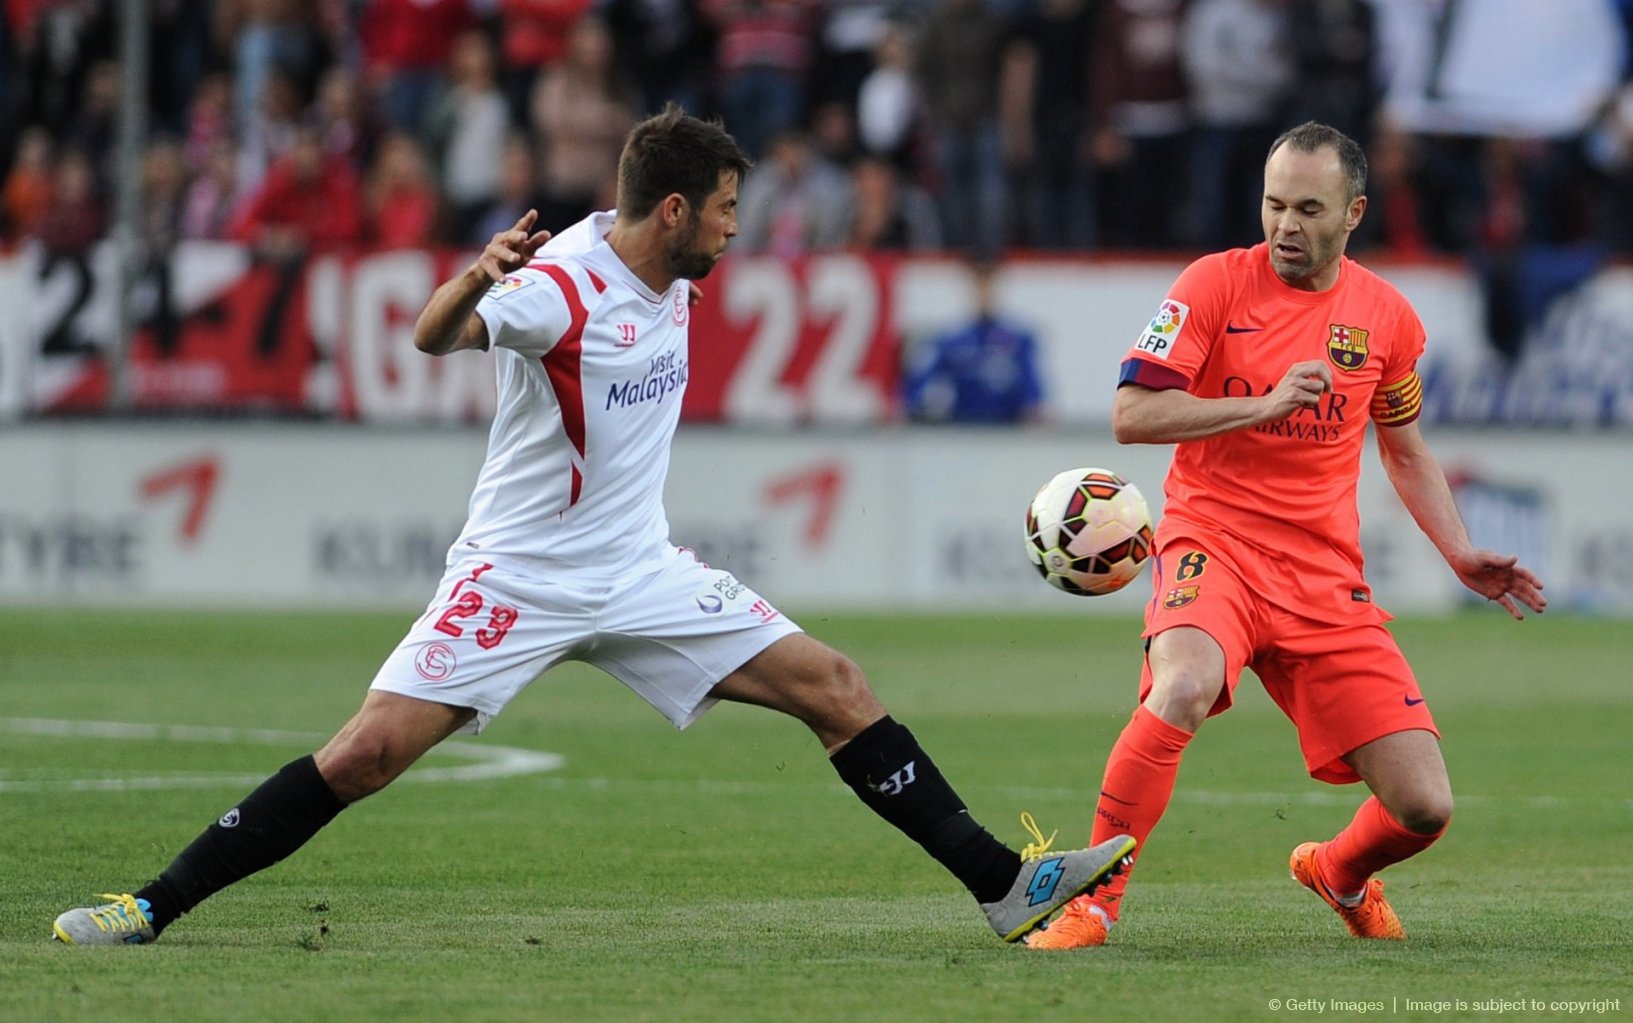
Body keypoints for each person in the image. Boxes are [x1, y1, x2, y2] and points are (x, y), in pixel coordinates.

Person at [52, 107, 1134, 948]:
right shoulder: (559, 287)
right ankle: (149, 907)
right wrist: (473, 277)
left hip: (638, 571)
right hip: (517, 576)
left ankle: (1003, 885)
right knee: (365, 754)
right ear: (670, 210)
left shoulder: (666, 272)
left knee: (837, 689)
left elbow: (656, 296)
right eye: (721, 208)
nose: (732, 227)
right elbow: (436, 339)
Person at [1026, 121, 1547, 951]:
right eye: (1273, 204)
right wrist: (1261, 402)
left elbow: (1404, 448)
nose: (1285, 226)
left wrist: (1458, 552)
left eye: (1308, 208)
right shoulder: (1210, 285)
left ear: (1353, 213)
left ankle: (1336, 871)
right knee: (1183, 683)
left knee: (1424, 807)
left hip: (1323, 578)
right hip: (1214, 543)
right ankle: (1090, 902)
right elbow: (1130, 413)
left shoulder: (1386, 319)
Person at [901, 258, 1043, 423]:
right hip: (964, 432)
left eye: (988, 286)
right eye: (979, 287)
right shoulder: (951, 341)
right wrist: (907, 406)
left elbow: (1033, 389)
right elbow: (919, 382)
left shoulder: (1019, 340)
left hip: (1007, 432)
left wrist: (1034, 411)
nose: (984, 293)